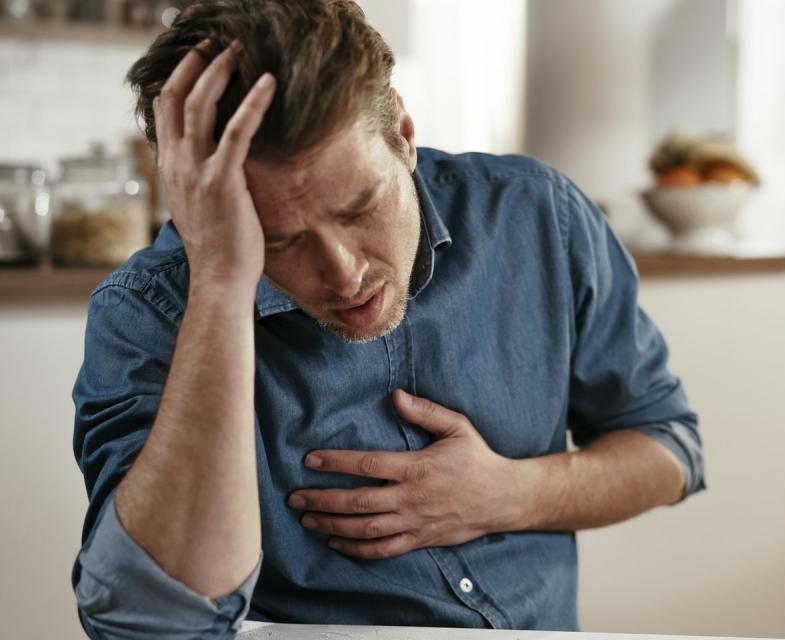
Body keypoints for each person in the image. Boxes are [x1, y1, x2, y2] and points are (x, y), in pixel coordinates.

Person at [70, 1, 706, 638]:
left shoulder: (539, 214)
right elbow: (149, 623)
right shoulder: (150, 308)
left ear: (402, 132)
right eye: (280, 240)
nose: (345, 273)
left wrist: (510, 494)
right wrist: (220, 281)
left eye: (360, 208)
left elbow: (667, 447)